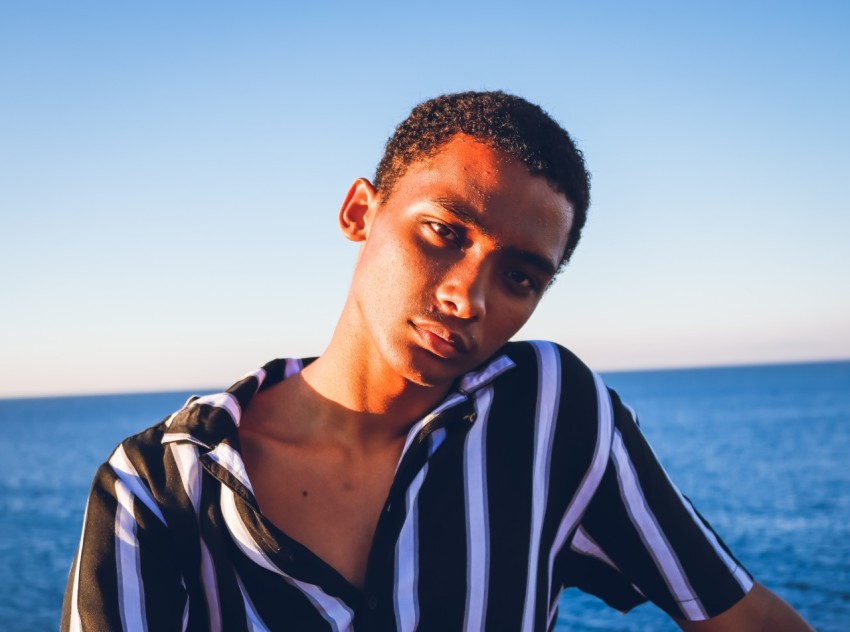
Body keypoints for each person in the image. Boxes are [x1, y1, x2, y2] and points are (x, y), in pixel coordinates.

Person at [61, 91, 812, 631]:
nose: (468, 298)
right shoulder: (161, 484)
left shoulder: (549, 417)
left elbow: (741, 617)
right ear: (361, 211)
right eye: (444, 233)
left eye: (519, 276)